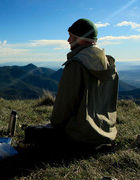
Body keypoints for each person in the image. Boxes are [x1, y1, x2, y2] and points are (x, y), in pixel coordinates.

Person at [22, 18, 119, 153]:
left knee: (32, 131)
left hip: (81, 137)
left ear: (80, 38)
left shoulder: (76, 64)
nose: (68, 40)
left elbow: (64, 105)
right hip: (107, 133)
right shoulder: (109, 65)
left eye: (71, 36)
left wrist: (54, 125)